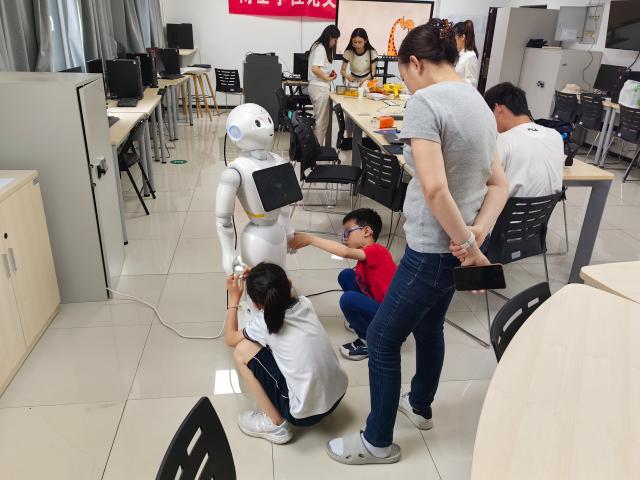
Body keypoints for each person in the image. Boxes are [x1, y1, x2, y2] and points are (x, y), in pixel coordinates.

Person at [326, 19, 509, 465]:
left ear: (415, 62)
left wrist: (469, 246)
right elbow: (499, 184)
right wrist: (476, 233)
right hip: (455, 247)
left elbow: (435, 189)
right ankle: (421, 406)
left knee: (383, 340)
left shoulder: (425, 102)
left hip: (431, 250)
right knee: (429, 329)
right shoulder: (479, 101)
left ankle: (377, 442)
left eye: (404, 74)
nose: (405, 83)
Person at [225, 262, 348, 444]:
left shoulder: (263, 323)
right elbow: (284, 286)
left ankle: (275, 424)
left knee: (242, 350)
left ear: (257, 305)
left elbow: (230, 338)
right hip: (338, 393)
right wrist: (261, 277)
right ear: (288, 284)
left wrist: (234, 299)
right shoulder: (305, 303)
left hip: (304, 416)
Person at [289, 208, 397, 361]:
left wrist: (311, 239)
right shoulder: (367, 255)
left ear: (366, 231)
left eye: (348, 232)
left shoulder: (377, 251)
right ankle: (362, 321)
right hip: (379, 305)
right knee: (346, 275)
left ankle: (368, 341)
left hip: (391, 319)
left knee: (348, 299)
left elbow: (344, 252)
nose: (345, 238)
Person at [484, 82, 565, 197]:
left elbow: (483, 182)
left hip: (506, 208)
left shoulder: (503, 141)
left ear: (498, 109)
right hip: (545, 208)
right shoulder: (555, 136)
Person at [308, 25, 341, 143]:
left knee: (321, 121)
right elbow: (315, 68)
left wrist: (328, 74)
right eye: (335, 40)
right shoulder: (321, 48)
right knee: (321, 122)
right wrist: (327, 78)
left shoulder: (317, 46)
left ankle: (317, 147)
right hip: (319, 88)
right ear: (330, 37)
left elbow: (319, 68)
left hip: (318, 87)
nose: (335, 43)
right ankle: (317, 149)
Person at [453, 20, 478, 88]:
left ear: (462, 37)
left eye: (454, 37)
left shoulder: (470, 56)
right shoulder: (459, 52)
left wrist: (454, 79)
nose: (453, 40)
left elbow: (472, 83)